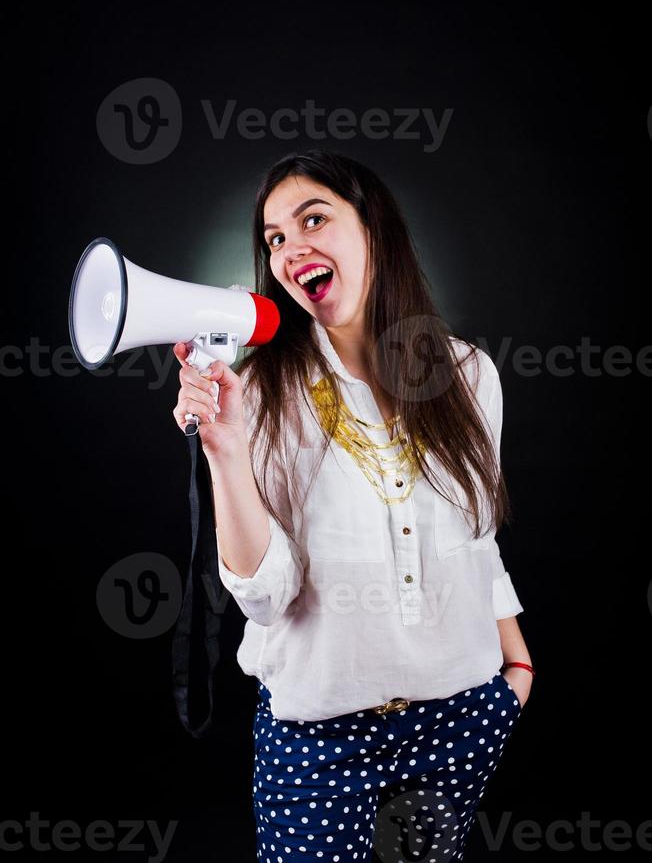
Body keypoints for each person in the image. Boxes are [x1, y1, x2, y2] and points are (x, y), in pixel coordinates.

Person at [172, 150, 534, 862]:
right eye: (274, 238)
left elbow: (478, 540)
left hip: (458, 722)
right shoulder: (263, 397)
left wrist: (517, 673)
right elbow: (268, 598)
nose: (289, 247)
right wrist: (224, 450)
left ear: (375, 229)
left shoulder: (470, 376)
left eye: (313, 218)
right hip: (319, 743)